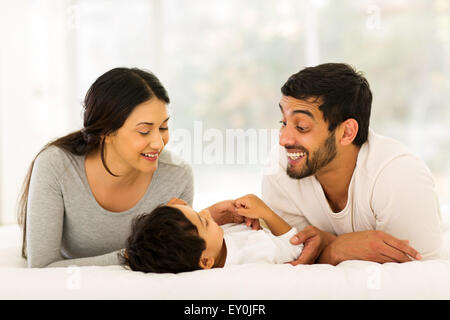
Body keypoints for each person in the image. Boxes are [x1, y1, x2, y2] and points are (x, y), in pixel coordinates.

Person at [261, 63, 443, 265]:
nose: (283, 140)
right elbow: (293, 255)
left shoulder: (399, 176)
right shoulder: (282, 165)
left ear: (347, 132)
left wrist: (329, 248)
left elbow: (423, 276)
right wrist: (336, 248)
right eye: (283, 123)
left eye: (302, 127)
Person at [17, 67, 195, 268]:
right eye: (144, 131)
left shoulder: (179, 176)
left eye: (163, 127)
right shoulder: (55, 166)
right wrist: (134, 256)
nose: (158, 143)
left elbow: (177, 252)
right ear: (106, 133)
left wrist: (206, 219)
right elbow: (42, 267)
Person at [122, 194, 303, 273]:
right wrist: (265, 211)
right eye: (204, 221)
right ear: (206, 261)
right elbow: (294, 247)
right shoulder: (253, 254)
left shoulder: (211, 247)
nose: (208, 213)